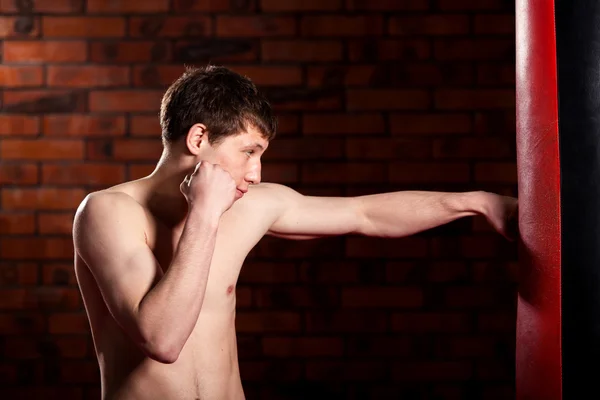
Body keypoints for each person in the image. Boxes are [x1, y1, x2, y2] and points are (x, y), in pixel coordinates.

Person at [72, 65, 518, 400]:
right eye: (248, 151)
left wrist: (474, 202)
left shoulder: (251, 205)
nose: (256, 171)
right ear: (198, 138)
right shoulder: (109, 212)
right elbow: (162, 340)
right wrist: (204, 214)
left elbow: (366, 214)